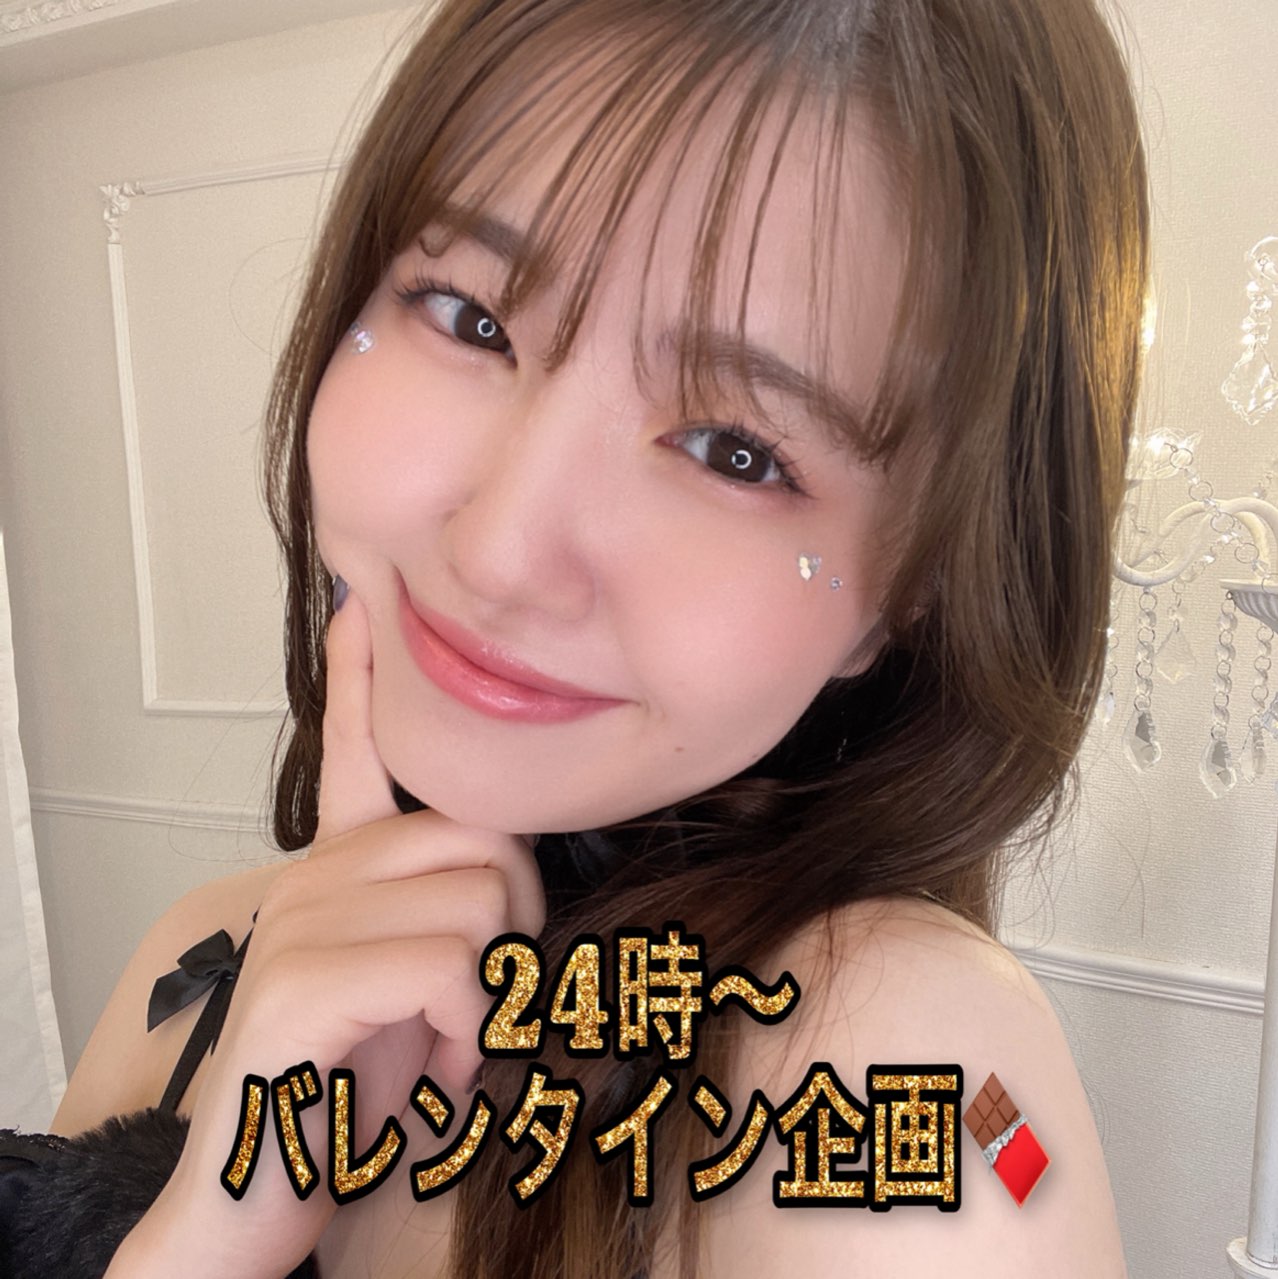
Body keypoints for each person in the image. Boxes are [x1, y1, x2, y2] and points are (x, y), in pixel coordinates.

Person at [10, 0, 1146, 1273]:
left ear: (923, 581)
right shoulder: (198, 961)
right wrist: (211, 1226)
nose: (498, 552)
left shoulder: (920, 1078)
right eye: (469, 317)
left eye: (733, 450)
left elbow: (1007, 1167)